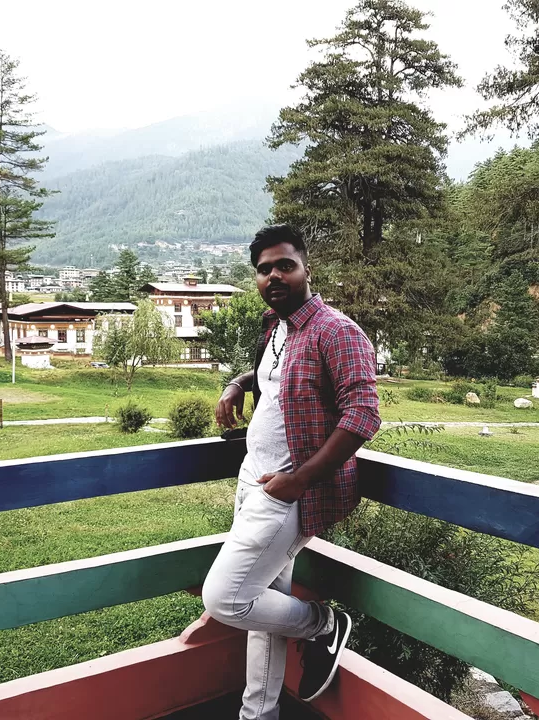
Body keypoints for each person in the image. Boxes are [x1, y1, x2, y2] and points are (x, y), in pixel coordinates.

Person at [202, 224, 381, 719]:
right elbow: (275, 375)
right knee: (264, 608)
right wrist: (236, 383)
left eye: (285, 265)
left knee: (226, 598)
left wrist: (298, 482)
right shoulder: (275, 326)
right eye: (264, 269)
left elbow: (363, 415)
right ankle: (257, 715)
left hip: (288, 492)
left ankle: (324, 624)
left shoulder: (336, 330)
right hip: (252, 479)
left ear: (306, 268)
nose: (274, 275)